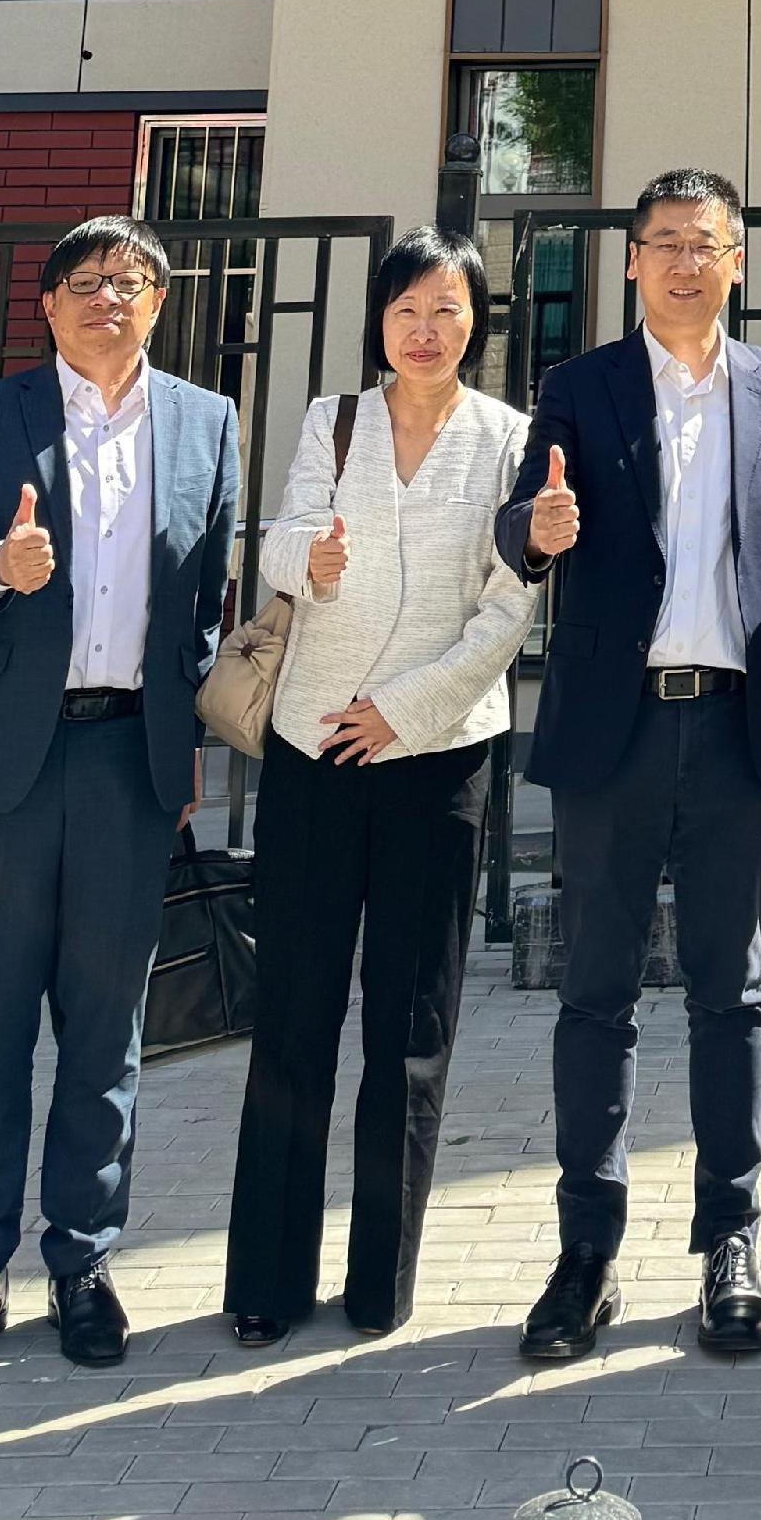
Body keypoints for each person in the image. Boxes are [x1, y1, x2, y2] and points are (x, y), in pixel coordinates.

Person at [497, 166, 761, 1363]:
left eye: (708, 242)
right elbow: (521, 521)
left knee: (728, 989)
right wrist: (532, 533)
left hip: (737, 731)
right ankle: (584, 1249)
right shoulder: (579, 385)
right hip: (614, 730)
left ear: (737, 259)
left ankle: (729, 1243)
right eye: (665, 243)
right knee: (595, 991)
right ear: (632, 261)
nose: (687, 261)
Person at [0, 216, 238, 1383]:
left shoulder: (206, 421)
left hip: (127, 763)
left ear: (161, 302)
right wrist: (0, 567)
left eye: (133, 280)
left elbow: (202, 600)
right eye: (87, 281)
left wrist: (188, 741)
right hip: (9, 760)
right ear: (46, 305)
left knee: (107, 1031)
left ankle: (83, 1262)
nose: (112, 296)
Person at [223, 228, 538, 1347]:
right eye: (409, 307)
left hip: (435, 759)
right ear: (381, 319)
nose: (427, 328)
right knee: (295, 1016)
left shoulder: (508, 438)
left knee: (410, 1027)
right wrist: (304, 556)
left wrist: (403, 710)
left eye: (449, 310)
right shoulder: (333, 420)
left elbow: (510, 607)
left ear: (476, 324)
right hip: (314, 750)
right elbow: (278, 539)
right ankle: (266, 1277)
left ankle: (378, 1282)